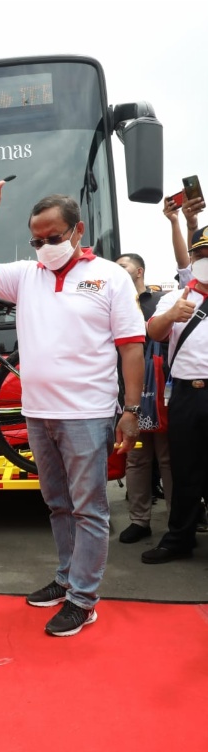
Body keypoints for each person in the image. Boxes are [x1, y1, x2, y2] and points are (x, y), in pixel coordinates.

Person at [0, 166, 145, 637]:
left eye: (53, 236)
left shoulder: (109, 278)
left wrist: (131, 410)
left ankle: (84, 599)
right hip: (38, 414)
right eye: (36, 240)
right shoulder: (27, 276)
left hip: (88, 415)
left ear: (78, 230)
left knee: (89, 509)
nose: (44, 247)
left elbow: (131, 346)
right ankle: (66, 579)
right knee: (58, 504)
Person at [141, 225, 208, 564]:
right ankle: (179, 538)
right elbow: (152, 331)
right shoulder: (176, 296)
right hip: (185, 394)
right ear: (192, 258)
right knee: (184, 470)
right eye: (201, 254)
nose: (205, 260)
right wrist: (170, 315)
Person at [115, 253, 172, 543]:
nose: (117, 271)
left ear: (139, 271)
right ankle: (139, 520)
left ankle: (177, 522)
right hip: (127, 395)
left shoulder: (158, 302)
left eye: (122, 266)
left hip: (160, 394)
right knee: (135, 457)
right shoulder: (111, 303)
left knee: (167, 458)